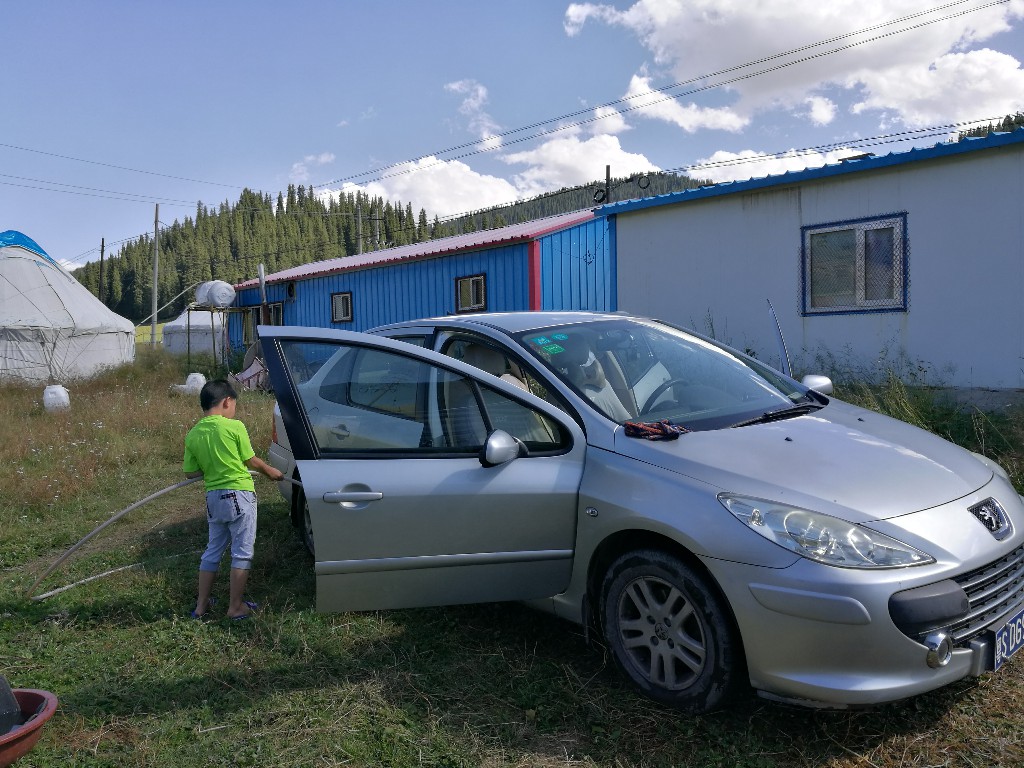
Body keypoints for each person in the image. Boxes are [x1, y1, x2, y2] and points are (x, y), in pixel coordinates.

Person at [183, 379, 283, 619]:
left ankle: (201, 606)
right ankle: (235, 607)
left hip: (213, 499)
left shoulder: (193, 434)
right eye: (234, 405)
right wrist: (271, 472)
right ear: (227, 401)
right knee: (242, 552)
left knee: (212, 551)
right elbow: (250, 460)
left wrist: (213, 466)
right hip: (238, 495)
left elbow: (190, 472)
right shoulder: (234, 426)